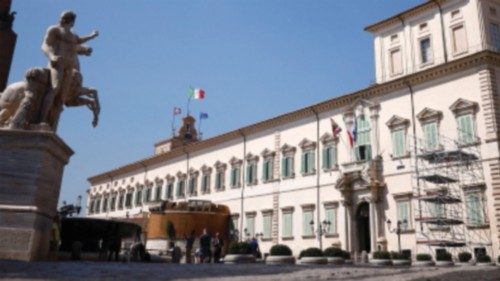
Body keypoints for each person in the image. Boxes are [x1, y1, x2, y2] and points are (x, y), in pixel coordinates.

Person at [40, 10, 98, 129]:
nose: (61, 19)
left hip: (69, 68)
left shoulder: (72, 35)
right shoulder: (54, 30)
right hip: (57, 64)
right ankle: (41, 119)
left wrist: (92, 36)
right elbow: (44, 45)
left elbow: (80, 40)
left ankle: (52, 125)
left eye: (64, 17)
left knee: (62, 97)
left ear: (71, 21)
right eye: (61, 17)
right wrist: (51, 56)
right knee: (54, 88)